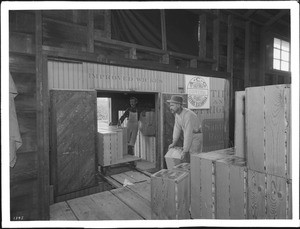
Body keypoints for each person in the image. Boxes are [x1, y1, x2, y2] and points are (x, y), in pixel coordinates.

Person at [167, 95, 203, 163]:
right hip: (189, 135)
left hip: (195, 137)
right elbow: (176, 129)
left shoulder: (188, 115)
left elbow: (188, 134)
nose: (170, 107)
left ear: (178, 105)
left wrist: (185, 150)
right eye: (170, 105)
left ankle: (197, 172)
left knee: (195, 157)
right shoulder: (177, 115)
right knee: (188, 156)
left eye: (172, 105)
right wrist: (173, 142)